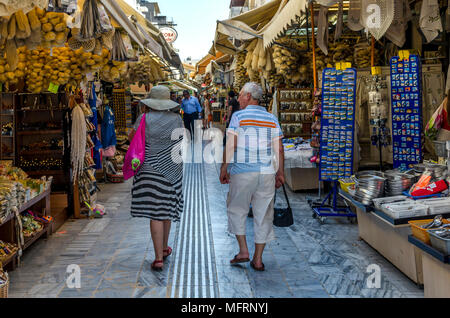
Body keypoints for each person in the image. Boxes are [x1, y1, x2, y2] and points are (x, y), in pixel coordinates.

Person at [220, 82, 285, 272]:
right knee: (263, 213)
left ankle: (243, 251)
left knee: (236, 208)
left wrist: (224, 167)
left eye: (240, 95)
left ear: (248, 96)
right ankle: (258, 259)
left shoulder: (238, 116)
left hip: (242, 171)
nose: (238, 98)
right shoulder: (271, 118)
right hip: (266, 173)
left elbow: (231, 145)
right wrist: (280, 172)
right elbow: (279, 148)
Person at [129, 85, 184, 271]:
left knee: (155, 213)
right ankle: (164, 248)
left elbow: (132, 139)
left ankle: (158, 257)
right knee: (166, 209)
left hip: (148, 170)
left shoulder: (143, 118)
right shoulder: (177, 119)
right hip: (171, 170)